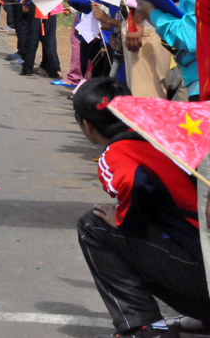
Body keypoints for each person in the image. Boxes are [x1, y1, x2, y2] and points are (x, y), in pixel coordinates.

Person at [74, 77, 210, 338]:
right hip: (201, 253)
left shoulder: (115, 154)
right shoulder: (169, 136)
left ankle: (144, 327)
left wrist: (123, 220)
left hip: (199, 263)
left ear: (86, 125)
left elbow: (138, 184)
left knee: (93, 225)